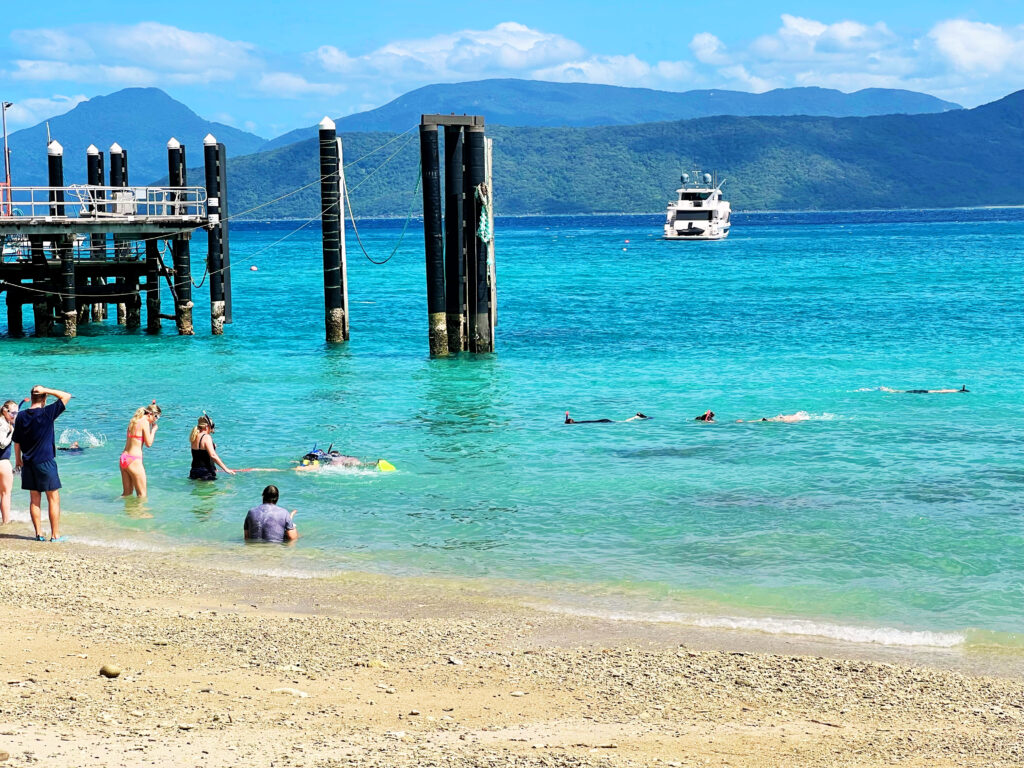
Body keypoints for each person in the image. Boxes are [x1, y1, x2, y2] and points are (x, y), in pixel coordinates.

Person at [13, 385, 72, 541]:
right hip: (45, 462)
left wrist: (18, 459)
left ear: (31, 398)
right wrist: (47, 389)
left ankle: (39, 534)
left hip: (28, 462)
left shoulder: (21, 416)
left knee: (34, 499)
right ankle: (55, 535)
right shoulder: (47, 412)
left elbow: (17, 441)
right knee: (53, 498)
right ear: (44, 398)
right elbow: (66, 396)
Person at [119, 401, 161, 497]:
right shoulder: (144, 422)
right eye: (157, 417)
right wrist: (154, 430)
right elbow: (148, 443)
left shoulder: (134, 421)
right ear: (151, 414)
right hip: (134, 460)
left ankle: (115, 508)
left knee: (127, 494)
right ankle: (142, 512)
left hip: (124, 458)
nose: (156, 420)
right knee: (142, 495)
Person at [189, 414, 235, 480]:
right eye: (212, 426)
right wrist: (226, 469)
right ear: (207, 426)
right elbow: (213, 455)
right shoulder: (206, 437)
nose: (212, 429)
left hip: (194, 472)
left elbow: (200, 455)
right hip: (205, 473)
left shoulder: (194, 436)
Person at [0, 400, 18, 525]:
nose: (15, 415)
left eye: (17, 413)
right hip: (2, 461)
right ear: (5, 411)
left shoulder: (5, 422)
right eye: (13, 413)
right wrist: (12, 433)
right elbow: (2, 444)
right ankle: (6, 521)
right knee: (6, 493)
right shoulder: (3, 424)